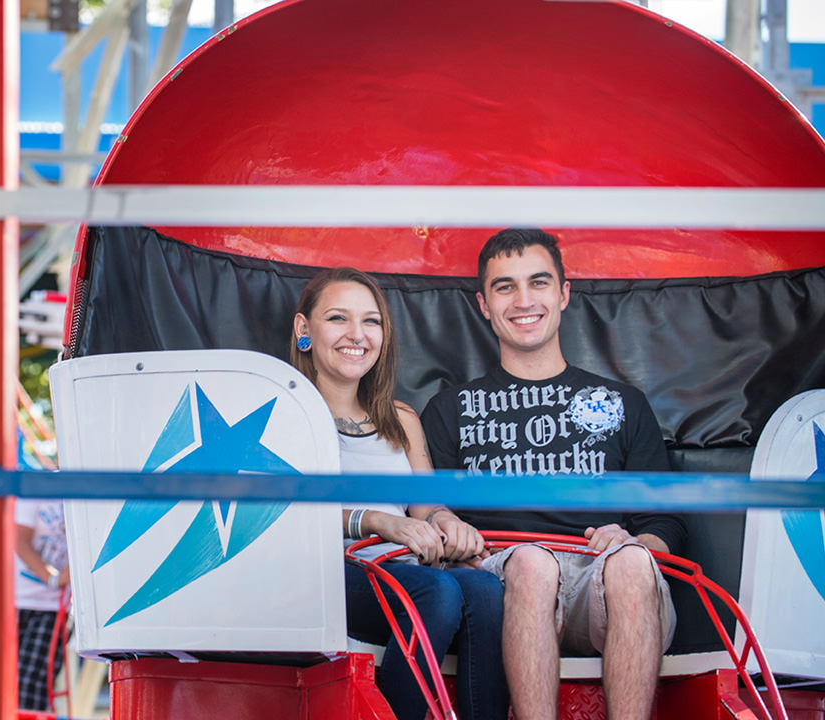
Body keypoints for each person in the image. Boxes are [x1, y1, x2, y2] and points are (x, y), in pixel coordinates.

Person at [420, 228, 687, 720]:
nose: (524, 300)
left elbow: (668, 523)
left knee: (630, 562)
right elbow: (428, 514)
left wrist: (633, 542)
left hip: (602, 582)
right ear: (483, 303)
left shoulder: (619, 403)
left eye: (538, 283)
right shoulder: (449, 409)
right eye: (505, 287)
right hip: (501, 578)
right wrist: (449, 529)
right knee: (532, 564)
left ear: (563, 294)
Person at [291, 267, 508, 720]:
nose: (357, 334)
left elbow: (425, 504)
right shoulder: (283, 414)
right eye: (338, 319)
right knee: (436, 592)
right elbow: (285, 511)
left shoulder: (401, 418)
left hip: (401, 574)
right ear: (304, 329)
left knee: (486, 589)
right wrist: (378, 520)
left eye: (371, 321)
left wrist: (445, 523)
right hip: (323, 575)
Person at [14, 498, 70, 712]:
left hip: (55, 607)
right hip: (19, 598)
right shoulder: (35, 490)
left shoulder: (87, 487)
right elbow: (19, 540)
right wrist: (52, 577)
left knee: (31, 688)